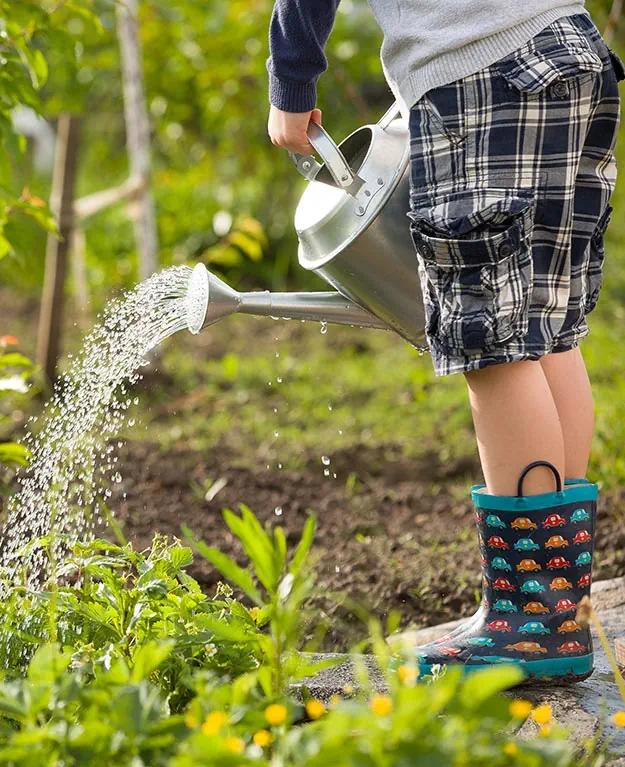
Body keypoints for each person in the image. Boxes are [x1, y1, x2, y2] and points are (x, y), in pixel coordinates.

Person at [266, 1, 622, 681]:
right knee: (548, 331)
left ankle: (530, 624)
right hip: (572, 48)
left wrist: (291, 81)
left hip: (476, 64)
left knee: (493, 344)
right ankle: (553, 608)